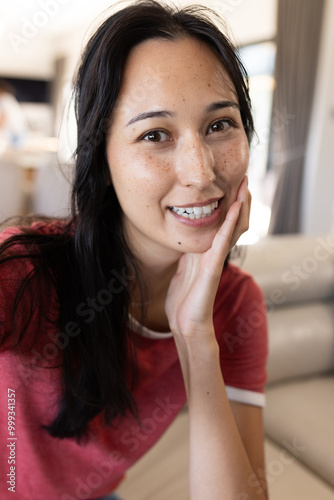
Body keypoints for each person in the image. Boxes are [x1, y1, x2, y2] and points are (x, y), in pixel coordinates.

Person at [0, 1, 269, 499]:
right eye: (154, 135)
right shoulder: (23, 274)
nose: (201, 172)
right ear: (102, 160)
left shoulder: (235, 306)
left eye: (219, 125)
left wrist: (195, 336)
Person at [0, 79, 27, 151]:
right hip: (20, 131)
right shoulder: (9, 98)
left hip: (14, 133)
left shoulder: (4, 99)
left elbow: (4, 116)